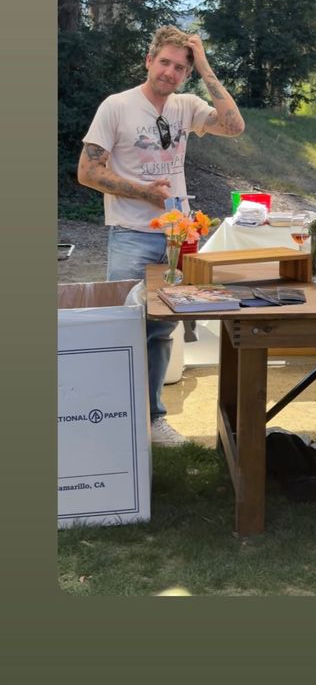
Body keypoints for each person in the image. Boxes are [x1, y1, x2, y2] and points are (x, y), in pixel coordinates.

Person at [78, 26, 245, 446]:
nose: (170, 72)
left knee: (161, 329)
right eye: (165, 62)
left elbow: (234, 125)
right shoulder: (116, 107)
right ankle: (112, 419)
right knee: (125, 327)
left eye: (180, 67)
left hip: (178, 240)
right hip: (131, 233)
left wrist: (204, 64)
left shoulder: (186, 106)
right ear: (149, 61)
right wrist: (143, 193)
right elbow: (88, 171)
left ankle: (153, 420)